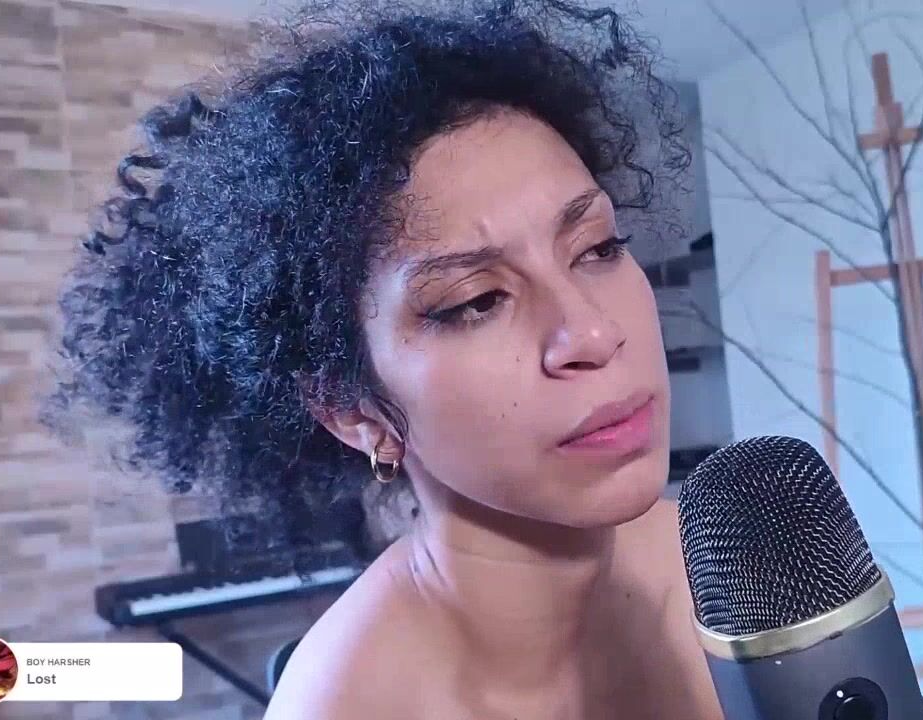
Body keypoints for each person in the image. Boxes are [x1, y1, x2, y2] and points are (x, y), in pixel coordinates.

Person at [46, 0, 718, 717]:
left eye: (598, 248)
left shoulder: (732, 566)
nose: (592, 333)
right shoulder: (343, 704)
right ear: (354, 412)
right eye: (476, 301)